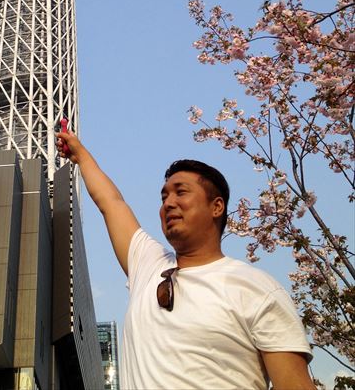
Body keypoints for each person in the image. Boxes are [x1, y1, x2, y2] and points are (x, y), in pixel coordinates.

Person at [56, 130, 315, 390]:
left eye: (181, 192)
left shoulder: (256, 288)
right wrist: (81, 155)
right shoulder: (148, 263)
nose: (169, 203)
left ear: (217, 207)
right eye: (164, 196)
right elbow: (111, 203)